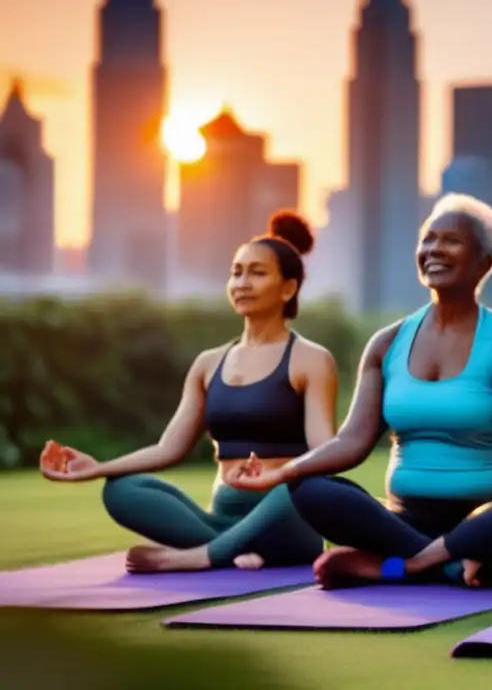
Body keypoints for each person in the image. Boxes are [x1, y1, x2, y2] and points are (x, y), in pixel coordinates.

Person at [225, 193, 492, 589]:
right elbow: (353, 440)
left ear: (485, 259)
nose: (433, 250)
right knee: (310, 488)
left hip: (488, 521)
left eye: (450, 240)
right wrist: (280, 472)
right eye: (427, 239)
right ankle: (445, 565)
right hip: (405, 519)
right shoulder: (386, 343)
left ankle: (401, 567)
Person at [39, 211, 335, 573]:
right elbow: (169, 448)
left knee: (305, 487)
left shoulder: (311, 359)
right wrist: (96, 469)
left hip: (287, 516)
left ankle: (201, 557)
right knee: (121, 489)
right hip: (222, 518)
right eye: (236, 271)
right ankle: (226, 550)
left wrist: (279, 474)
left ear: (288, 288)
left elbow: (325, 456)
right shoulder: (208, 364)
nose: (242, 282)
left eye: (257, 273)